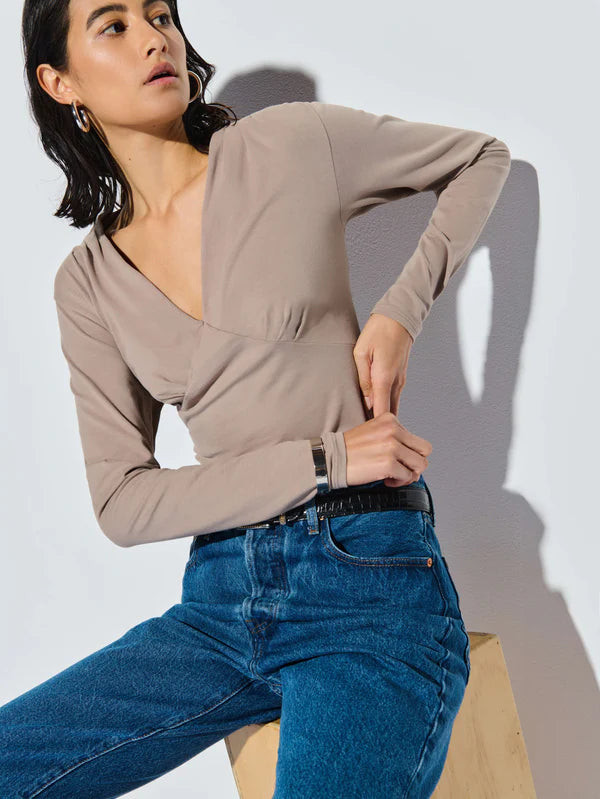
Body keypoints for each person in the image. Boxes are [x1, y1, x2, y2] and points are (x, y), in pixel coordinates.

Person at [0, 0, 511, 796]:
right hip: (219, 601)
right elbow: (123, 501)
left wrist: (401, 310)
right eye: (114, 25)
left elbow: (480, 158)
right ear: (61, 82)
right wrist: (325, 457)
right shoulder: (89, 284)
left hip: (365, 582)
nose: (154, 37)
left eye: (160, 15)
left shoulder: (288, 145)